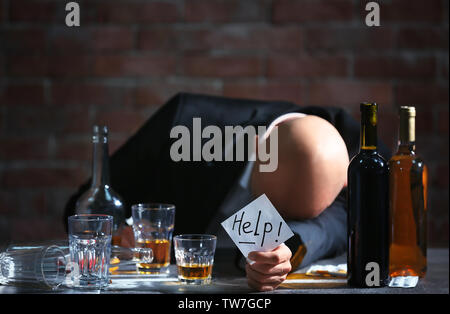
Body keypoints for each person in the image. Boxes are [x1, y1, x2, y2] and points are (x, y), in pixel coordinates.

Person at [64, 93, 390, 291]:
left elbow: (355, 216)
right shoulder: (182, 124)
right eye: (266, 204)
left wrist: (292, 243)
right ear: (258, 150)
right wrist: (119, 231)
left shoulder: (353, 139)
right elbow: (80, 207)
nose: (266, 220)